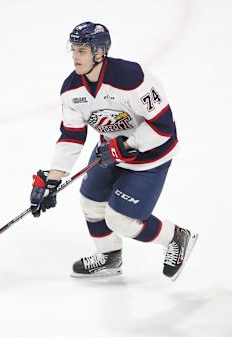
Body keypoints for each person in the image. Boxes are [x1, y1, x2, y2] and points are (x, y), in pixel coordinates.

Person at [30, 22, 198, 281]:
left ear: (99, 53)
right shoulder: (71, 90)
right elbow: (72, 135)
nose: (75, 56)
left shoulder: (132, 79)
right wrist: (52, 177)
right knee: (90, 203)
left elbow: (163, 127)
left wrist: (127, 145)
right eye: (73, 49)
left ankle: (175, 237)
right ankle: (110, 256)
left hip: (150, 156)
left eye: (82, 50)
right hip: (110, 151)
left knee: (121, 219)